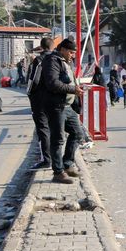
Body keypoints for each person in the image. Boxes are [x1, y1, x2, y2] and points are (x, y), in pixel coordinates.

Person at [41, 39, 84, 184]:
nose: (73, 55)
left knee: (78, 133)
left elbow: (70, 81)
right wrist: (73, 89)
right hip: (56, 106)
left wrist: (77, 89)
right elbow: (53, 83)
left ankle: (68, 164)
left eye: (74, 53)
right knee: (58, 139)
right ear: (63, 50)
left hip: (67, 106)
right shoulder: (52, 61)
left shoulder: (65, 62)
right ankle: (58, 172)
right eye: (71, 52)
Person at [27, 37, 53, 170]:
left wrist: (29, 94)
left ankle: (46, 160)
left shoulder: (39, 60)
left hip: (40, 99)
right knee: (54, 128)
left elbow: (34, 80)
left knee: (42, 129)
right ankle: (55, 157)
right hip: (55, 99)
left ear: (41, 47)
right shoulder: (59, 59)